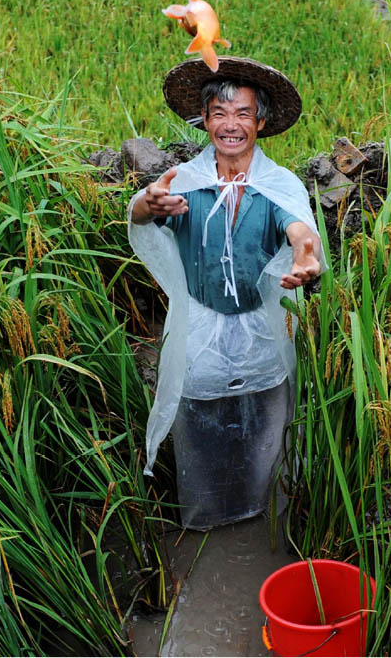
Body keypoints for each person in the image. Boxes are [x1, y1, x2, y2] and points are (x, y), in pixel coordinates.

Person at [129, 56, 322, 530]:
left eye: (242, 114)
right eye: (219, 113)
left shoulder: (278, 185)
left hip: (261, 328)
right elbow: (141, 210)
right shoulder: (186, 183)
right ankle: (208, 510)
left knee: (263, 418)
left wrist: (305, 253)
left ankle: (260, 508)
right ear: (204, 121)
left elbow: (297, 226)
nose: (230, 125)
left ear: (260, 121)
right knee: (199, 417)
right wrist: (146, 205)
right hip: (200, 326)